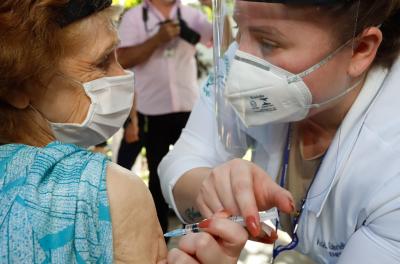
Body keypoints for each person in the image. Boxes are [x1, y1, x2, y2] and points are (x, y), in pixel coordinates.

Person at [159, 0, 400, 263]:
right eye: (239, 28)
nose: (239, 61)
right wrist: (212, 188)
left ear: (359, 50)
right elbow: (180, 163)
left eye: (269, 43)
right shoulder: (244, 60)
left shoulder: (391, 162)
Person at [117, 0, 213, 236]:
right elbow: (121, 59)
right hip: (152, 111)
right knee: (157, 177)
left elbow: (225, 41)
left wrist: (214, 6)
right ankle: (159, 236)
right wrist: (156, 40)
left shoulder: (191, 14)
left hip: (188, 109)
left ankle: (197, 235)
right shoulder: (134, 18)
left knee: (195, 173)